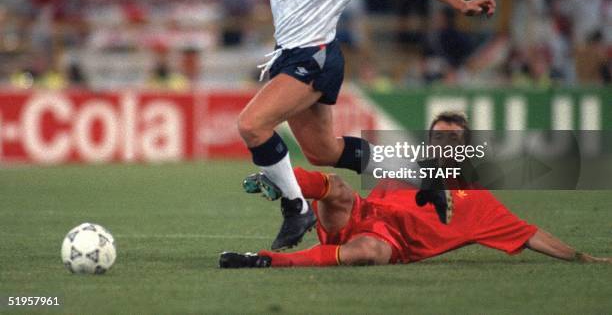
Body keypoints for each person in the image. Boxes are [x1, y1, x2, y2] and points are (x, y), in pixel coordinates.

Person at [143, 0, 496, 251]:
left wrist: (460, 4)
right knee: (323, 151)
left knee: (252, 124)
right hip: (289, 56)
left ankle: (296, 208)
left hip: (317, 56)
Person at [219, 111, 612, 268]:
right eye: (436, 137)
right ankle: (285, 186)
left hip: (390, 245)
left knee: (369, 251)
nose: (441, 144)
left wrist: (582, 257)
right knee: (337, 188)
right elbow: (344, 157)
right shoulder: (407, 165)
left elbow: (529, 234)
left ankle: (267, 261)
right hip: (355, 216)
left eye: (451, 139)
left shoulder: (478, 202)